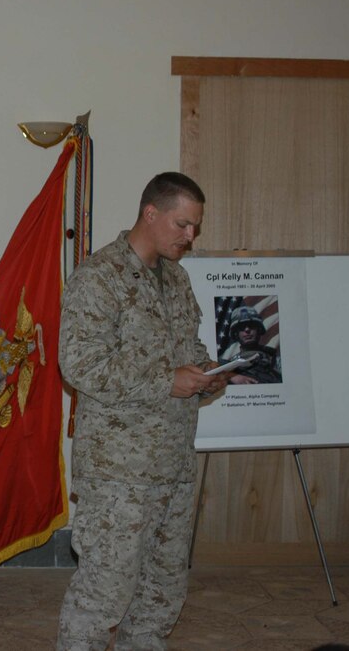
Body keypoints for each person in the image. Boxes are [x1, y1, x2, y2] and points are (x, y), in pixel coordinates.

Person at [56, 172, 228, 650]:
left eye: (194, 227)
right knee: (103, 597)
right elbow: (80, 364)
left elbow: (186, 350)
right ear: (150, 214)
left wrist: (207, 375)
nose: (190, 236)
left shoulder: (175, 279)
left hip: (173, 465)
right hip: (119, 473)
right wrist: (166, 382)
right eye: (183, 224)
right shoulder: (100, 277)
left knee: (161, 593)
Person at [220, 305, 282, 384]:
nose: (247, 330)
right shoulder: (230, 366)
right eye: (242, 327)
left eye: (251, 326)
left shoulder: (275, 361)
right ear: (236, 334)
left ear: (259, 330)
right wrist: (231, 376)